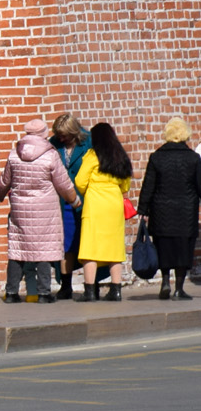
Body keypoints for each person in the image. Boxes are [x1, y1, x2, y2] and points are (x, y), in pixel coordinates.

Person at [0, 118, 78, 303]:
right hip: (45, 210)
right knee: (43, 250)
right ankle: (44, 294)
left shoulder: (15, 153)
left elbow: (4, 180)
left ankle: (12, 293)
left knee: (17, 250)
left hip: (20, 210)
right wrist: (74, 200)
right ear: (44, 133)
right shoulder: (50, 154)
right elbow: (62, 183)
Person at [137, 117, 201, 300]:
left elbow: (148, 185)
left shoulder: (157, 157)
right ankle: (179, 288)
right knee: (183, 250)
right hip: (185, 213)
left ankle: (165, 282)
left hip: (161, 212)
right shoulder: (193, 158)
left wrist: (143, 209)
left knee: (163, 247)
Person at [75, 121, 133, 301]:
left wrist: (88, 192)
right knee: (114, 248)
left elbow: (79, 180)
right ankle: (116, 290)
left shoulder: (93, 155)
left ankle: (90, 291)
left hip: (95, 204)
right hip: (114, 205)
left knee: (90, 248)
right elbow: (125, 184)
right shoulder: (120, 155)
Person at [50, 112, 92, 298]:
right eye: (59, 134)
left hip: (86, 199)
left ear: (73, 132)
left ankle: (92, 283)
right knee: (66, 244)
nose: (61, 138)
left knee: (88, 242)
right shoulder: (54, 144)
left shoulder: (88, 142)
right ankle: (66, 285)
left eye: (64, 135)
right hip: (63, 200)